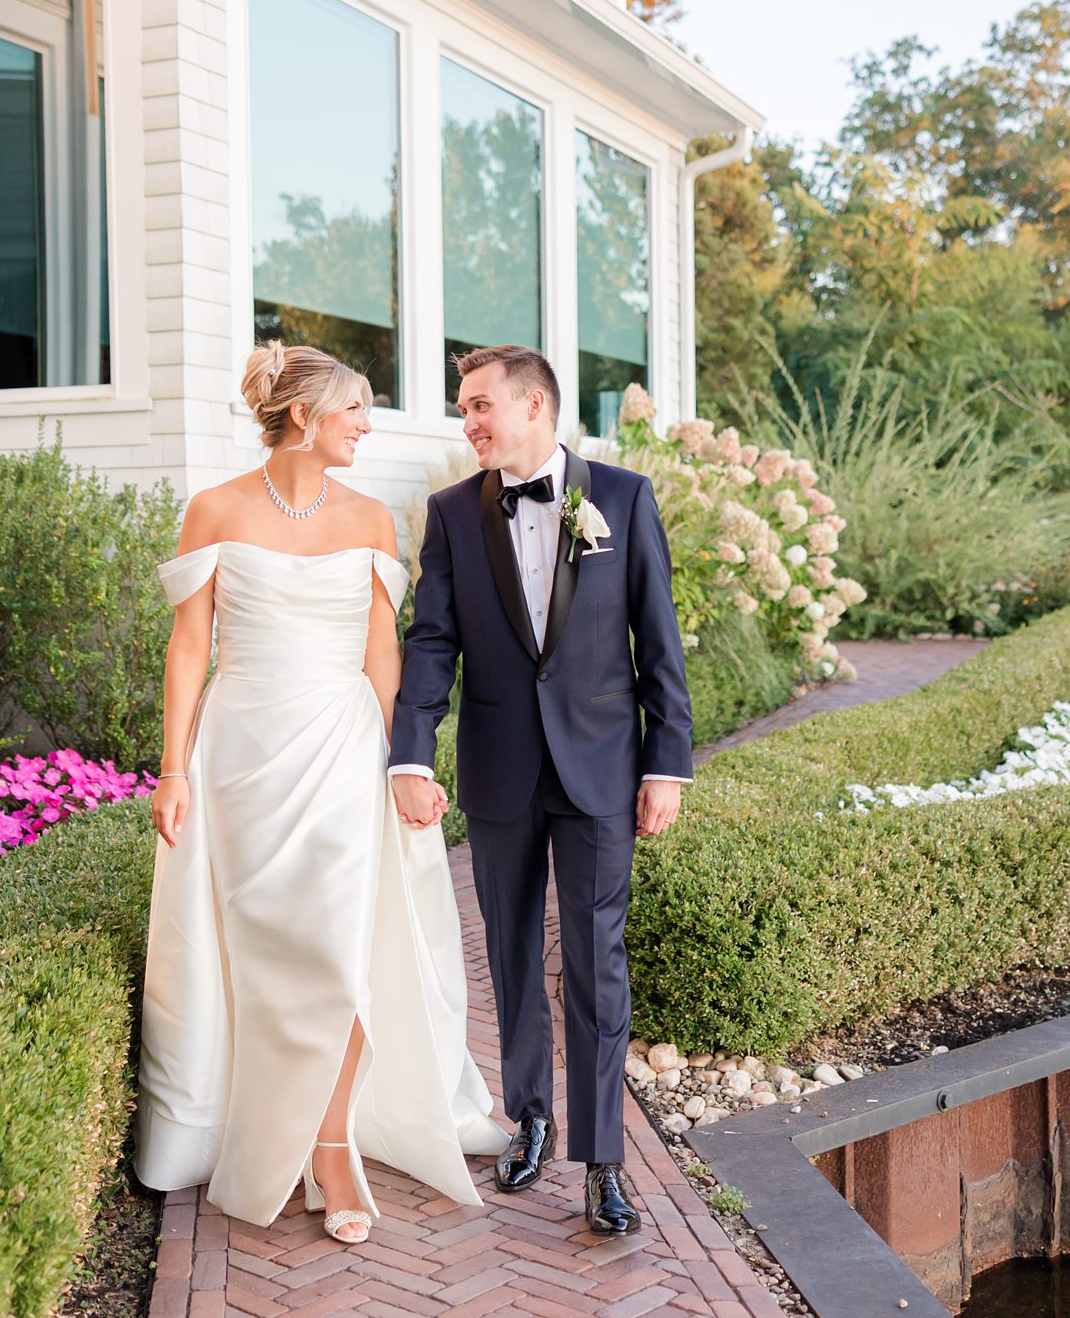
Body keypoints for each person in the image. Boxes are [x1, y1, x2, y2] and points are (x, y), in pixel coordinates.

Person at [134, 341, 503, 1243]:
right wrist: (173, 770)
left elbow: (385, 656)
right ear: (304, 416)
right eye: (355, 413)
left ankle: (330, 1144)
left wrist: (407, 767)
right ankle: (273, 1123)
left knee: (342, 948)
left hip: (343, 751)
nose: (367, 428)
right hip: (241, 754)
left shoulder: (374, 519)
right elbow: (190, 649)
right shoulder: (214, 509)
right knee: (263, 954)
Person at [388, 345, 693, 1235]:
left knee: (596, 964)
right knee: (514, 956)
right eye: (463, 408)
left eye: (481, 405)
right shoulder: (450, 515)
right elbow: (431, 641)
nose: (469, 421)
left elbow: (658, 641)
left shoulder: (624, 499)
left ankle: (603, 1165)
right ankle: (530, 1116)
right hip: (500, 769)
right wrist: (412, 753)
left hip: (601, 767)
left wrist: (665, 763)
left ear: (534, 407)